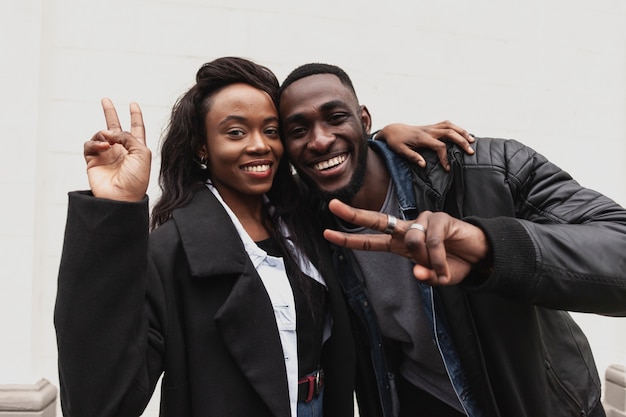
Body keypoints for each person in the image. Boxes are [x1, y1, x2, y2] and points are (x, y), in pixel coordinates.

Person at [54, 56, 474, 417]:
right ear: (203, 147)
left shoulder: (309, 220)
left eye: (271, 130)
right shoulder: (172, 252)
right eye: (235, 132)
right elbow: (100, 401)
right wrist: (114, 209)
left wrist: (377, 137)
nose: (260, 146)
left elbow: (334, 149)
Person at [277, 63, 626, 417]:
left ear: (363, 120)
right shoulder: (303, 219)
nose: (319, 139)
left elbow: (618, 252)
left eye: (336, 117)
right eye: (299, 129)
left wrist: (492, 248)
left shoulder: (487, 170)